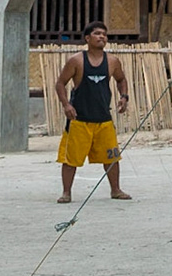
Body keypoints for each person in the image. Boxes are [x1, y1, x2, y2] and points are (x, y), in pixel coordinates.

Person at [54, 21, 130, 203]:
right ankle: (66, 193)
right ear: (87, 38)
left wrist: (124, 96)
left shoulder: (112, 61)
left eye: (104, 34)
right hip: (79, 120)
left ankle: (116, 190)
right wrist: (66, 105)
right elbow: (60, 83)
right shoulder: (76, 61)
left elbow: (121, 79)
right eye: (97, 33)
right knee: (71, 159)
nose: (101, 37)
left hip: (104, 118)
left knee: (112, 157)